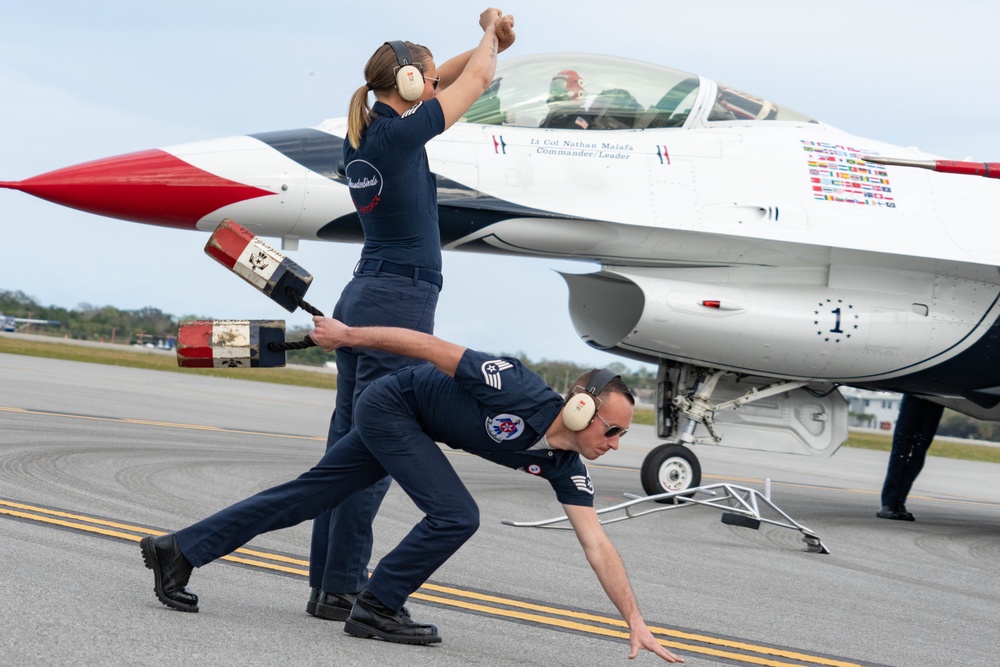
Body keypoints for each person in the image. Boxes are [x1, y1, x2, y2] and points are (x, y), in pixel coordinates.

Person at [140, 317, 684, 663]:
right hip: (392, 404)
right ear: (581, 408)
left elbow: (597, 543)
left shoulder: (567, 465)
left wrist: (634, 621)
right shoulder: (514, 385)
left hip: (412, 425)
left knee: (310, 496)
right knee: (457, 514)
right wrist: (348, 337)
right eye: (612, 430)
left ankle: (179, 549)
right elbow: (425, 345)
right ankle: (377, 605)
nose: (615, 443)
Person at [307, 9, 517, 623]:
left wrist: (460, 56)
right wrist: (490, 32)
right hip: (397, 300)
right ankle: (344, 588)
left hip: (366, 295)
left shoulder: (365, 129)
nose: (432, 87)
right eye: (423, 81)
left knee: (342, 452)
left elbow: (446, 75)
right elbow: (473, 81)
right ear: (404, 85)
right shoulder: (398, 136)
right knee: (374, 451)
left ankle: (328, 586)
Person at [876, 393, 944, 521]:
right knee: (902, 449)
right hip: (915, 391)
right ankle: (888, 502)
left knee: (919, 452)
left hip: (937, 395)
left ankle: (899, 501)